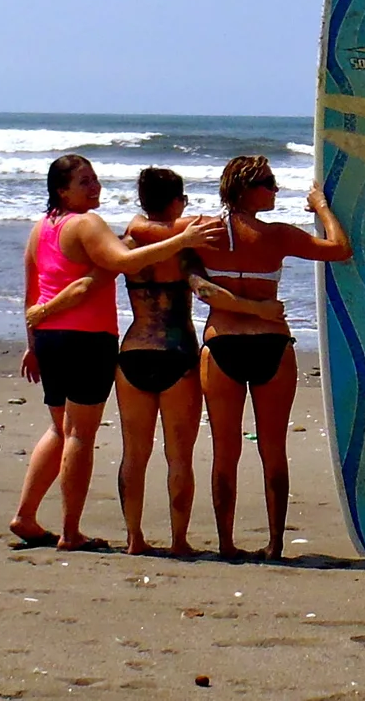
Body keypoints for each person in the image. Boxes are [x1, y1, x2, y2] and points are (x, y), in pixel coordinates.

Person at [10, 154, 214, 551]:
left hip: (50, 338)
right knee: (80, 436)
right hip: (86, 338)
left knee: (59, 429)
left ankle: (26, 515)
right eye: (85, 182)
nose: (95, 187)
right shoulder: (86, 223)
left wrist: (32, 342)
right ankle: (70, 532)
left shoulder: (41, 229)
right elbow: (122, 261)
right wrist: (184, 240)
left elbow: (32, 292)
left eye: (95, 179)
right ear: (61, 190)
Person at [110, 167, 279, 556]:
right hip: (178, 354)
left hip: (134, 350)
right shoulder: (184, 248)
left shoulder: (130, 240)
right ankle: (178, 540)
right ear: (175, 202)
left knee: (134, 453)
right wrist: (258, 308)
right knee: (178, 456)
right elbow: (204, 290)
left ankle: (134, 537)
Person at [196, 154, 350, 559]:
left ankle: (227, 543)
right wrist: (322, 208)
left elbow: (157, 247)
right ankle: (275, 543)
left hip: (221, 344)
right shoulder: (278, 236)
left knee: (225, 448)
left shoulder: (204, 233)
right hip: (271, 345)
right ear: (245, 189)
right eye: (268, 183)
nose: (276, 189)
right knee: (272, 447)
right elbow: (340, 248)